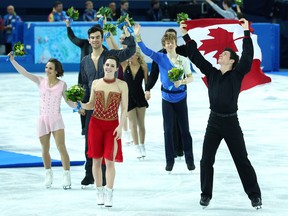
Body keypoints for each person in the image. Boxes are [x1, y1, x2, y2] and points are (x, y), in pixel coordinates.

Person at [180, 18, 262, 208]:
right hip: (214, 122)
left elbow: (247, 56)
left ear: (232, 61)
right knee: (206, 160)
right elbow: (196, 56)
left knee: (241, 160)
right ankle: (205, 195)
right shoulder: (212, 73)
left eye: (224, 54)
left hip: (232, 123)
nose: (220, 56)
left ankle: (254, 195)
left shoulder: (237, 74)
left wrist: (246, 33)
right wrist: (186, 35)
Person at [8, 52, 77, 190]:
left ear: (56, 71)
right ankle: (48, 174)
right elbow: (25, 73)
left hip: (56, 119)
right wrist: (13, 61)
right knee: (45, 150)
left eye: (50, 68)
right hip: (43, 119)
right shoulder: (40, 81)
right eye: (46, 67)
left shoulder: (62, 85)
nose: (47, 70)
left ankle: (66, 175)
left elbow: (69, 101)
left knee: (61, 147)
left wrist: (79, 106)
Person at [80, 25, 136, 187]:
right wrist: (82, 104)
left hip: (109, 108)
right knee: (89, 142)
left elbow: (130, 51)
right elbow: (83, 83)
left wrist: (129, 36)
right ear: (89, 40)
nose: (95, 40)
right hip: (92, 106)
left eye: (98, 37)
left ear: (102, 38)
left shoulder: (111, 56)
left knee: (107, 144)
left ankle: (104, 175)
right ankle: (89, 173)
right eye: (92, 38)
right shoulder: (84, 61)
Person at [134, 23, 195, 172]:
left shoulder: (183, 60)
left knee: (185, 130)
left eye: (171, 42)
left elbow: (191, 78)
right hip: (167, 99)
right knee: (168, 130)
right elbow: (146, 50)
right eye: (166, 43)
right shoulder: (160, 57)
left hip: (181, 97)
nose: (169, 44)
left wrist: (181, 81)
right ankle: (170, 161)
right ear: (164, 44)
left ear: (175, 43)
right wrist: (138, 36)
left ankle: (189, 160)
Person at [80, 55, 128, 207]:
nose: (108, 67)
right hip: (95, 125)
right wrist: (78, 103)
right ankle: (99, 192)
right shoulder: (95, 83)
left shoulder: (122, 85)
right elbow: (90, 105)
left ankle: (109, 193)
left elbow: (125, 108)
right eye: (107, 64)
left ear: (116, 68)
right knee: (96, 160)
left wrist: (121, 126)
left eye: (112, 65)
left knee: (110, 161)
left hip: (112, 126)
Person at [146, 28, 187, 159]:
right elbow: (153, 75)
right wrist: (148, 88)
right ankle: (173, 150)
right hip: (167, 94)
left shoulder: (182, 53)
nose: (171, 42)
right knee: (170, 123)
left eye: (174, 39)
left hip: (181, 92)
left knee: (181, 121)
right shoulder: (159, 55)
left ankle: (181, 149)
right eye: (168, 39)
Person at [121, 47, 149, 158]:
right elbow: (115, 49)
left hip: (140, 96)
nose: (130, 57)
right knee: (132, 124)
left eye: (132, 55)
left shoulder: (143, 67)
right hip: (128, 98)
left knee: (141, 124)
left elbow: (147, 82)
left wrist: (148, 91)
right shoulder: (124, 65)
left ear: (137, 55)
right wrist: (109, 36)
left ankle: (142, 145)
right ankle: (136, 147)